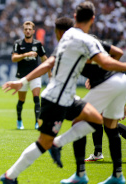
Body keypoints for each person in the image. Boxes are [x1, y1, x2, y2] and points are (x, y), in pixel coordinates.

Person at [0, 2, 126, 183]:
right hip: (56, 99)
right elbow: (107, 62)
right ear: (93, 19)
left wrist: (22, 81)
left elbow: (48, 63)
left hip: (66, 96)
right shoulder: (86, 40)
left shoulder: (67, 37)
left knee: (95, 119)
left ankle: (65, 154)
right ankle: (10, 175)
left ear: (75, 17)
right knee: (44, 142)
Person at [47, 17, 126, 184]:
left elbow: (107, 59)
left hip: (110, 83)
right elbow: (117, 53)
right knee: (110, 126)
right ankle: (118, 175)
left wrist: (103, 75)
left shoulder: (81, 46)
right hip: (119, 81)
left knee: (80, 121)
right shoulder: (92, 43)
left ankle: (79, 172)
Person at [11, 21, 48, 130]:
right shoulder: (18, 43)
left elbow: (44, 58)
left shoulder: (38, 44)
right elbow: (13, 58)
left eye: (29, 29)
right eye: (26, 29)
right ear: (23, 31)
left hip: (35, 76)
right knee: (21, 100)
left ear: (33, 31)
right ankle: (19, 120)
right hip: (22, 76)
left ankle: (37, 122)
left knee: (36, 98)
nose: (27, 31)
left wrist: (48, 69)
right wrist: (26, 54)